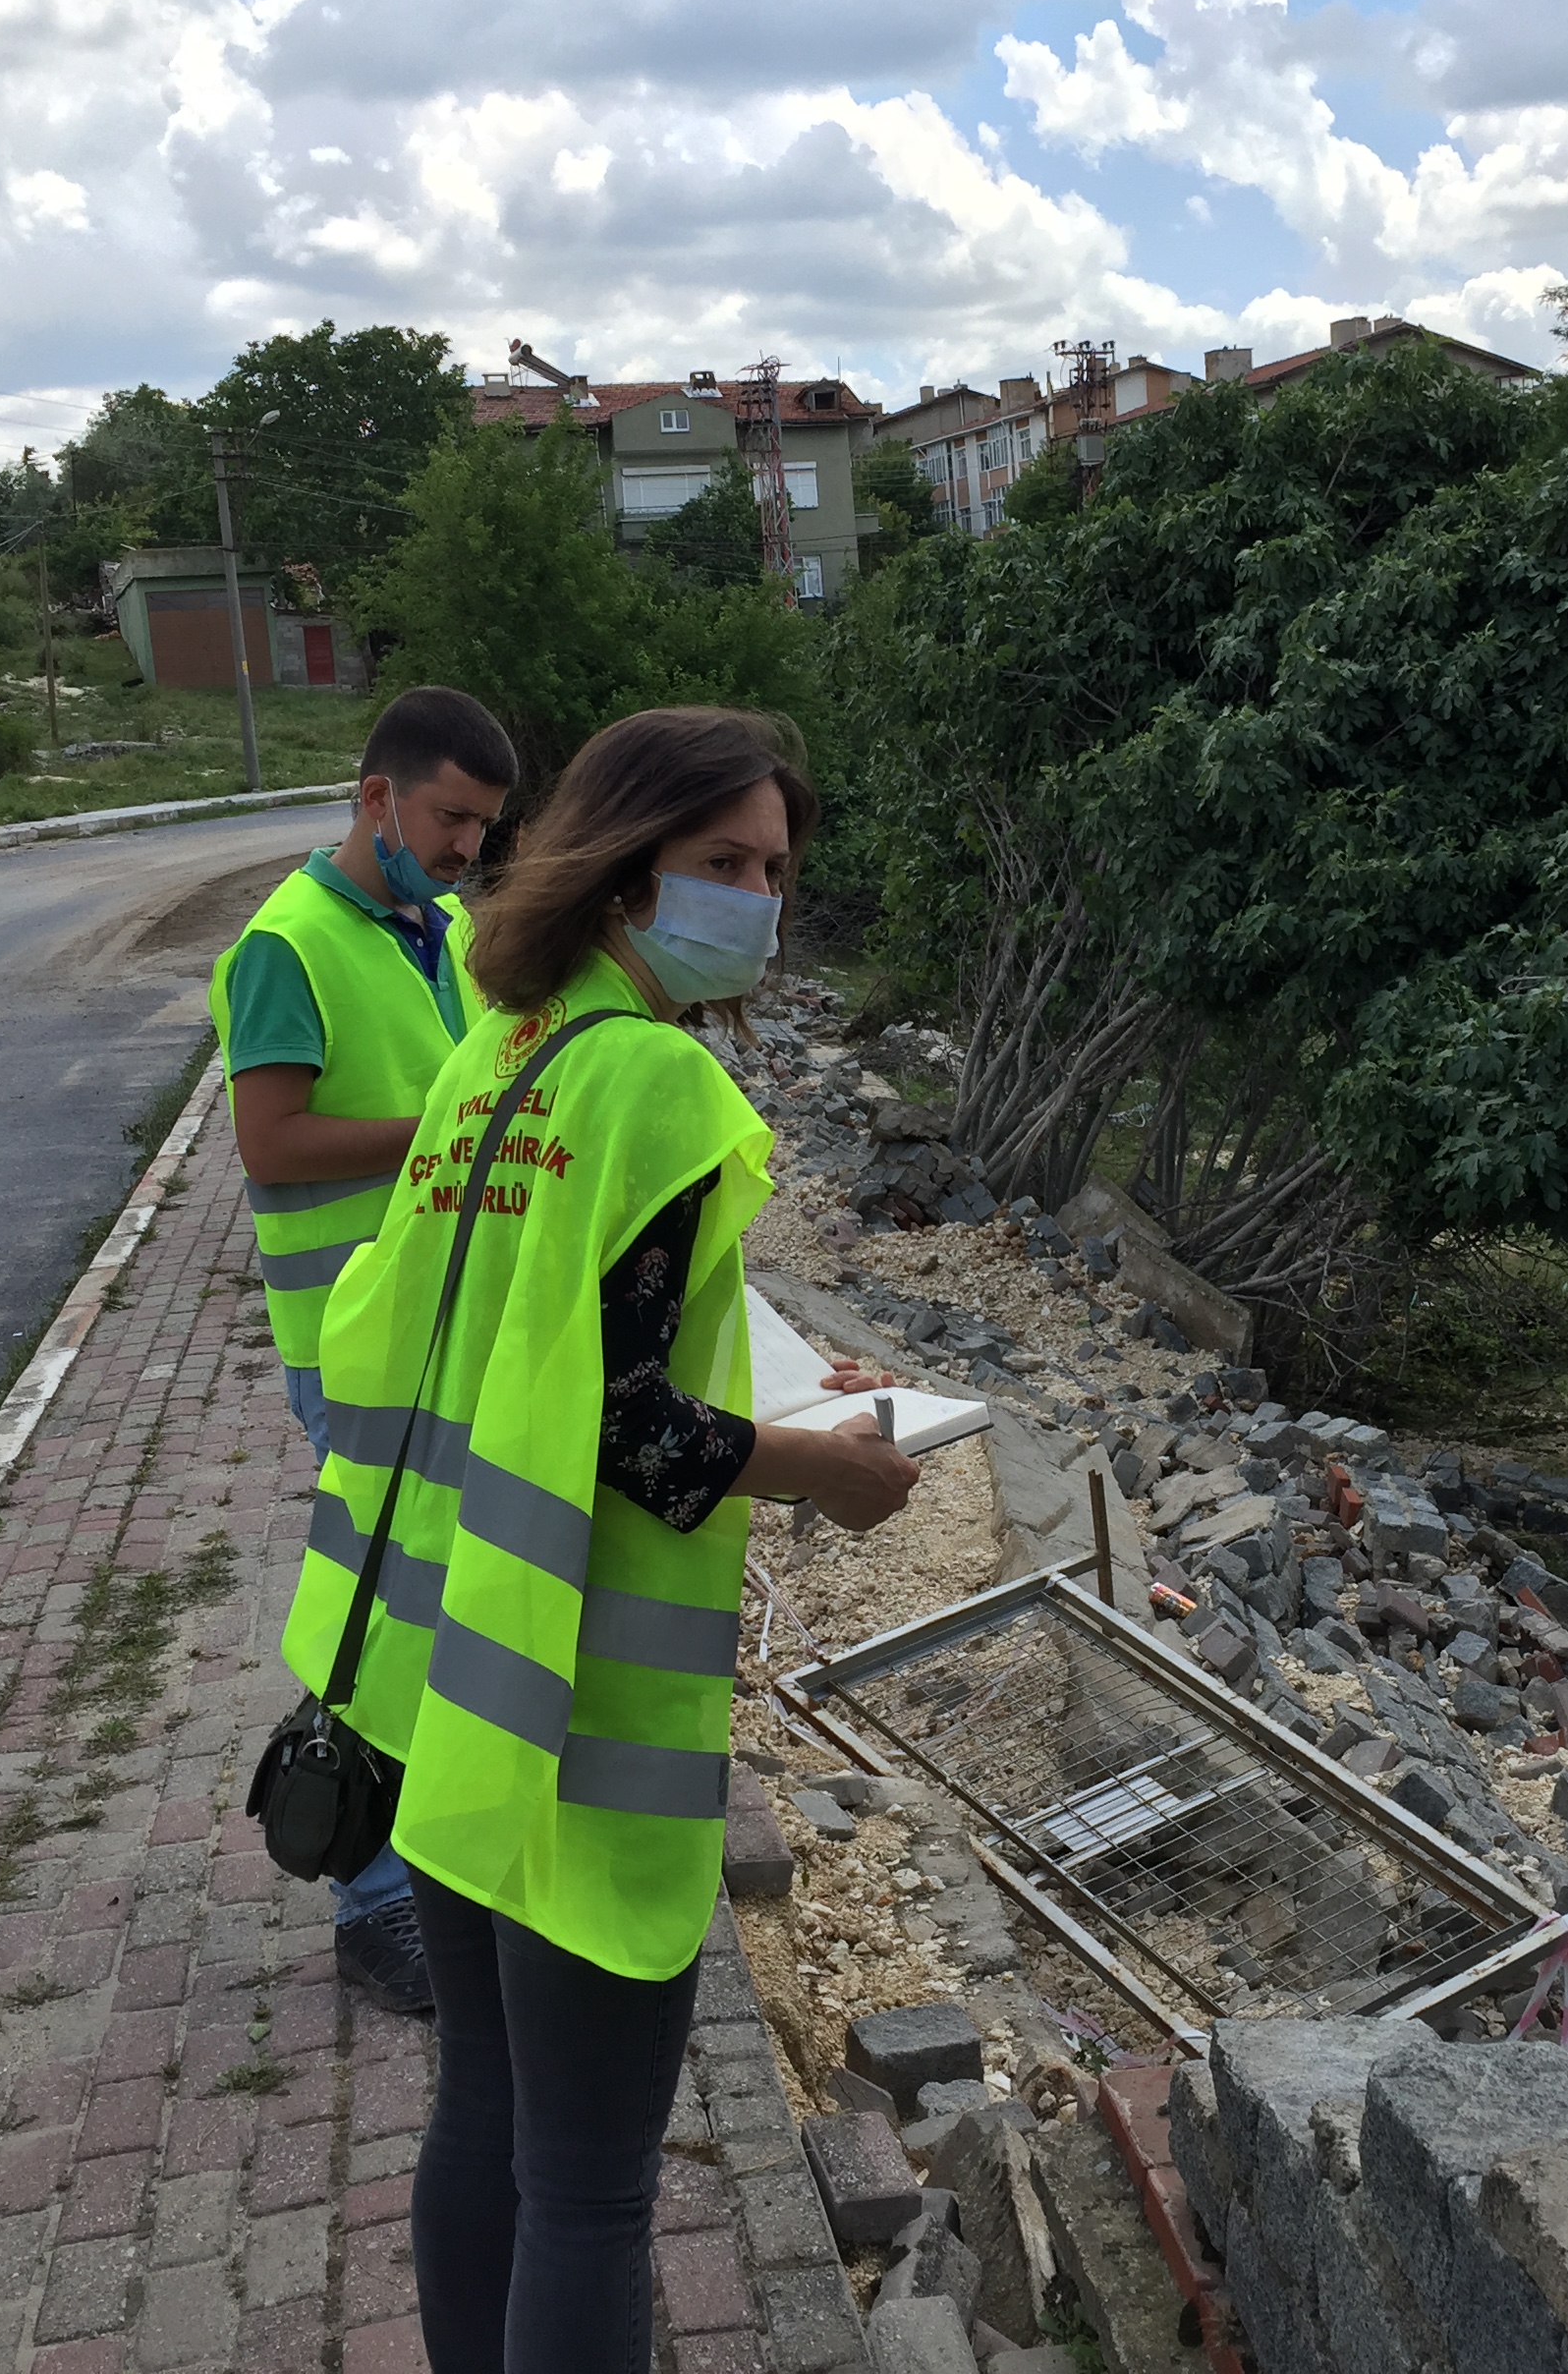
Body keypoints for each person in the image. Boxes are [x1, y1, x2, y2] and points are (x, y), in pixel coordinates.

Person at [280, 706, 918, 2374]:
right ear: (627, 874)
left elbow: (448, 1329)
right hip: (567, 1708)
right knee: (589, 2189)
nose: (759, 900)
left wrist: (751, 1354)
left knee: (482, 2110)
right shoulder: (655, 1080)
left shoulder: (501, 1049)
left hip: (426, 1679)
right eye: (723, 864)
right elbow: (629, 1429)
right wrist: (814, 1464)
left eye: (776, 869)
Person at [207, 683, 515, 2015]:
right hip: (352, 1345)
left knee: (443, 1606)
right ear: (377, 797)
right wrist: (448, 1139)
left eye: (484, 829)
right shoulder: (288, 944)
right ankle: (368, 1894)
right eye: (451, 818)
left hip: (439, 1334)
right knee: (390, 1607)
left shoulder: (435, 928)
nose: (466, 850)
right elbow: (269, 1144)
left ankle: (433, 1860)